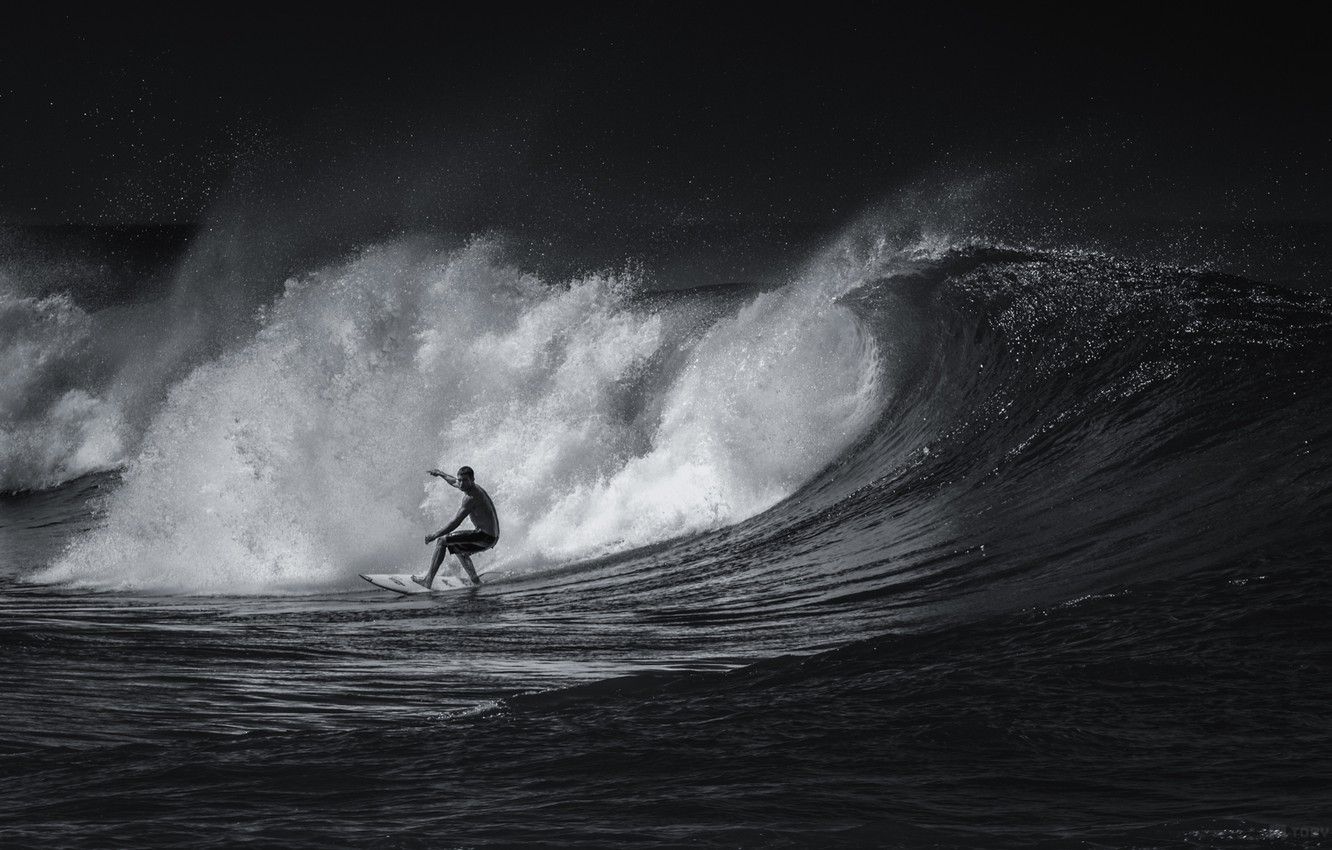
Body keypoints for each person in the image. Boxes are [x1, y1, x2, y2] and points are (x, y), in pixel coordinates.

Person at [413, 466, 500, 588]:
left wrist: (435, 535)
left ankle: (427, 581)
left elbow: (456, 522)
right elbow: (453, 481)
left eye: (464, 480)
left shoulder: (471, 498)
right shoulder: (468, 486)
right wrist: (440, 473)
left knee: (442, 541)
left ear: (473, 479)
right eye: (460, 480)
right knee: (458, 548)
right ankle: (475, 581)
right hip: (492, 536)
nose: (461, 483)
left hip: (485, 536)